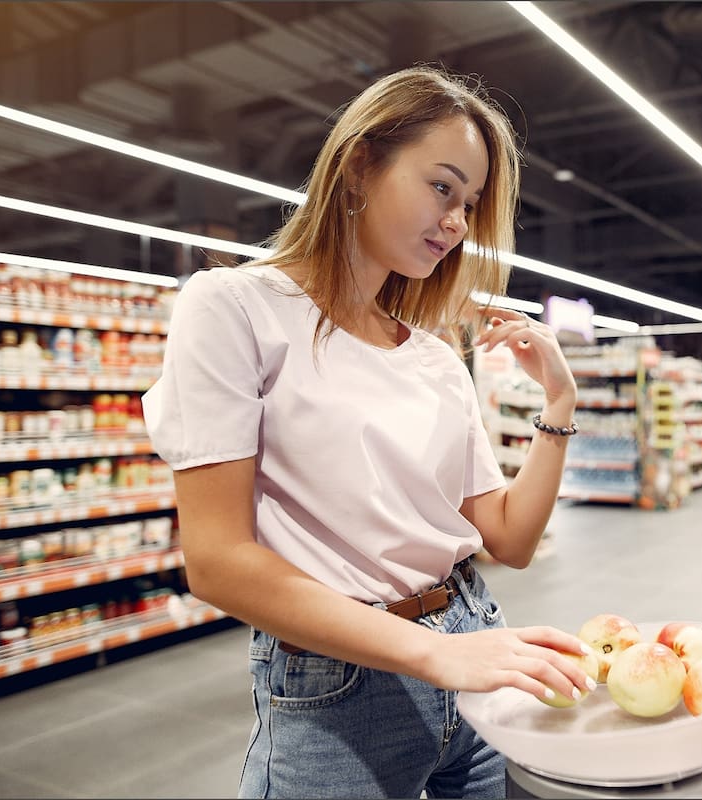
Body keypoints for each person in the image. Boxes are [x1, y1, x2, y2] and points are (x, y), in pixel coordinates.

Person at [142, 64, 593, 799]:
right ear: (358, 165)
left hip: (471, 642)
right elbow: (218, 562)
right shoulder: (235, 308)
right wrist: (430, 656)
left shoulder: (435, 357)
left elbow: (508, 539)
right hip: (343, 685)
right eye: (442, 187)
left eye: (470, 203)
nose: (457, 221)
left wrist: (561, 402)